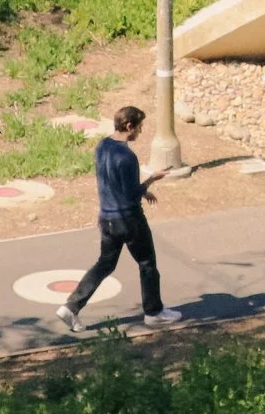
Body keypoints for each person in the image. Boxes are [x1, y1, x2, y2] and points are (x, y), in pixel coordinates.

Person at [57, 106, 186, 331]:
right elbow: (130, 194)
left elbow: (114, 182)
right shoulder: (127, 156)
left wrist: (142, 191)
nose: (140, 131)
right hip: (129, 219)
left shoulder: (102, 146)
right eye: (139, 127)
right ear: (129, 126)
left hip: (106, 219)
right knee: (147, 263)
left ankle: (71, 307)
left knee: (104, 264)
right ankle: (154, 312)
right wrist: (151, 180)